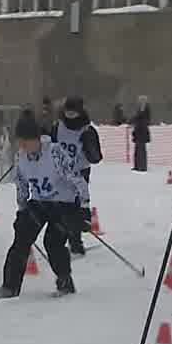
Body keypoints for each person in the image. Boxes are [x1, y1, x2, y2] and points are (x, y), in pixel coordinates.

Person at [0, 113, 89, 300]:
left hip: (63, 204)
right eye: (20, 142)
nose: (22, 146)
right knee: (21, 238)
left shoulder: (54, 153)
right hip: (40, 202)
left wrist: (84, 208)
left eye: (26, 142)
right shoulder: (21, 157)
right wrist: (22, 209)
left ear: (36, 139)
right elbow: (21, 183)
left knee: (52, 242)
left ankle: (64, 281)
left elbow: (78, 180)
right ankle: (10, 286)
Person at [52, 96, 101, 255]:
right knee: (60, 205)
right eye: (68, 112)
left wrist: (89, 146)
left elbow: (96, 157)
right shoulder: (58, 126)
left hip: (80, 171)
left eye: (73, 112)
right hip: (60, 171)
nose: (70, 115)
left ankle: (75, 240)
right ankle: (60, 239)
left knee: (77, 206)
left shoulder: (87, 130)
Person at [132, 95, 152, 172]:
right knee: (137, 150)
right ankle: (137, 166)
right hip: (138, 132)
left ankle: (143, 167)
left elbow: (145, 120)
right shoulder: (139, 110)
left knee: (142, 151)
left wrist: (137, 120)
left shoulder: (146, 110)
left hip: (142, 133)